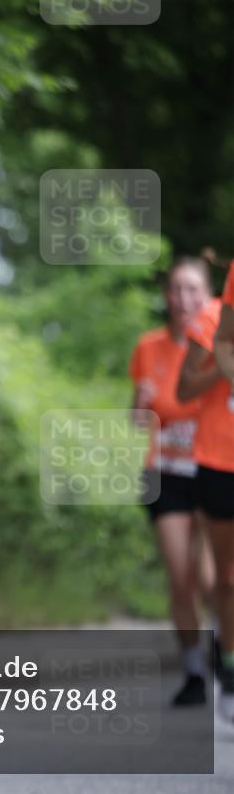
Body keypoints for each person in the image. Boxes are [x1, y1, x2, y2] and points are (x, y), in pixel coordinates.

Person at [129, 258, 217, 706]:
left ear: (209, 295)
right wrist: (139, 405)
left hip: (212, 466)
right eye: (177, 290)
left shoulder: (220, 344)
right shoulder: (149, 346)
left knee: (212, 578)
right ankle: (194, 672)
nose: (184, 300)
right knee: (180, 574)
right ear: (167, 296)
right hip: (165, 472)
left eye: (193, 290)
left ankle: (223, 645)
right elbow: (137, 418)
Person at [178, 260, 234, 725]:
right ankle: (225, 671)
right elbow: (184, 387)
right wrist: (224, 361)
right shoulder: (214, 318)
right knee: (223, 580)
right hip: (217, 460)